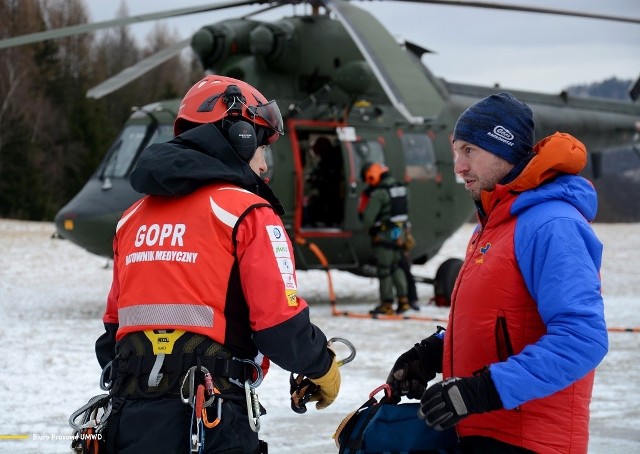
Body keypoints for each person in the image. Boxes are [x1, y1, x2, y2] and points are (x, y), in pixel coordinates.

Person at [94, 75, 340, 453]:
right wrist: (322, 366)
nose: (263, 165)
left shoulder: (132, 218)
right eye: (261, 147)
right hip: (209, 418)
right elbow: (279, 325)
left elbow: (114, 328)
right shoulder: (248, 213)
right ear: (239, 136)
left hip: (128, 418)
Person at [386, 92, 608, 453]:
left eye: (469, 150)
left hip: (530, 440)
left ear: (503, 148)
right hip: (482, 432)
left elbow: (582, 339)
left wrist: (485, 389)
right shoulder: (492, 225)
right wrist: (432, 354)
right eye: (456, 151)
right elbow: (501, 323)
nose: (458, 166)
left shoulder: (553, 225)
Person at [359, 162, 412, 315]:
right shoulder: (402, 188)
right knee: (397, 266)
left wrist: (370, 228)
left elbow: (368, 219)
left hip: (384, 235)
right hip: (399, 234)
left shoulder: (380, 193)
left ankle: (386, 303)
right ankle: (403, 301)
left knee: (384, 269)